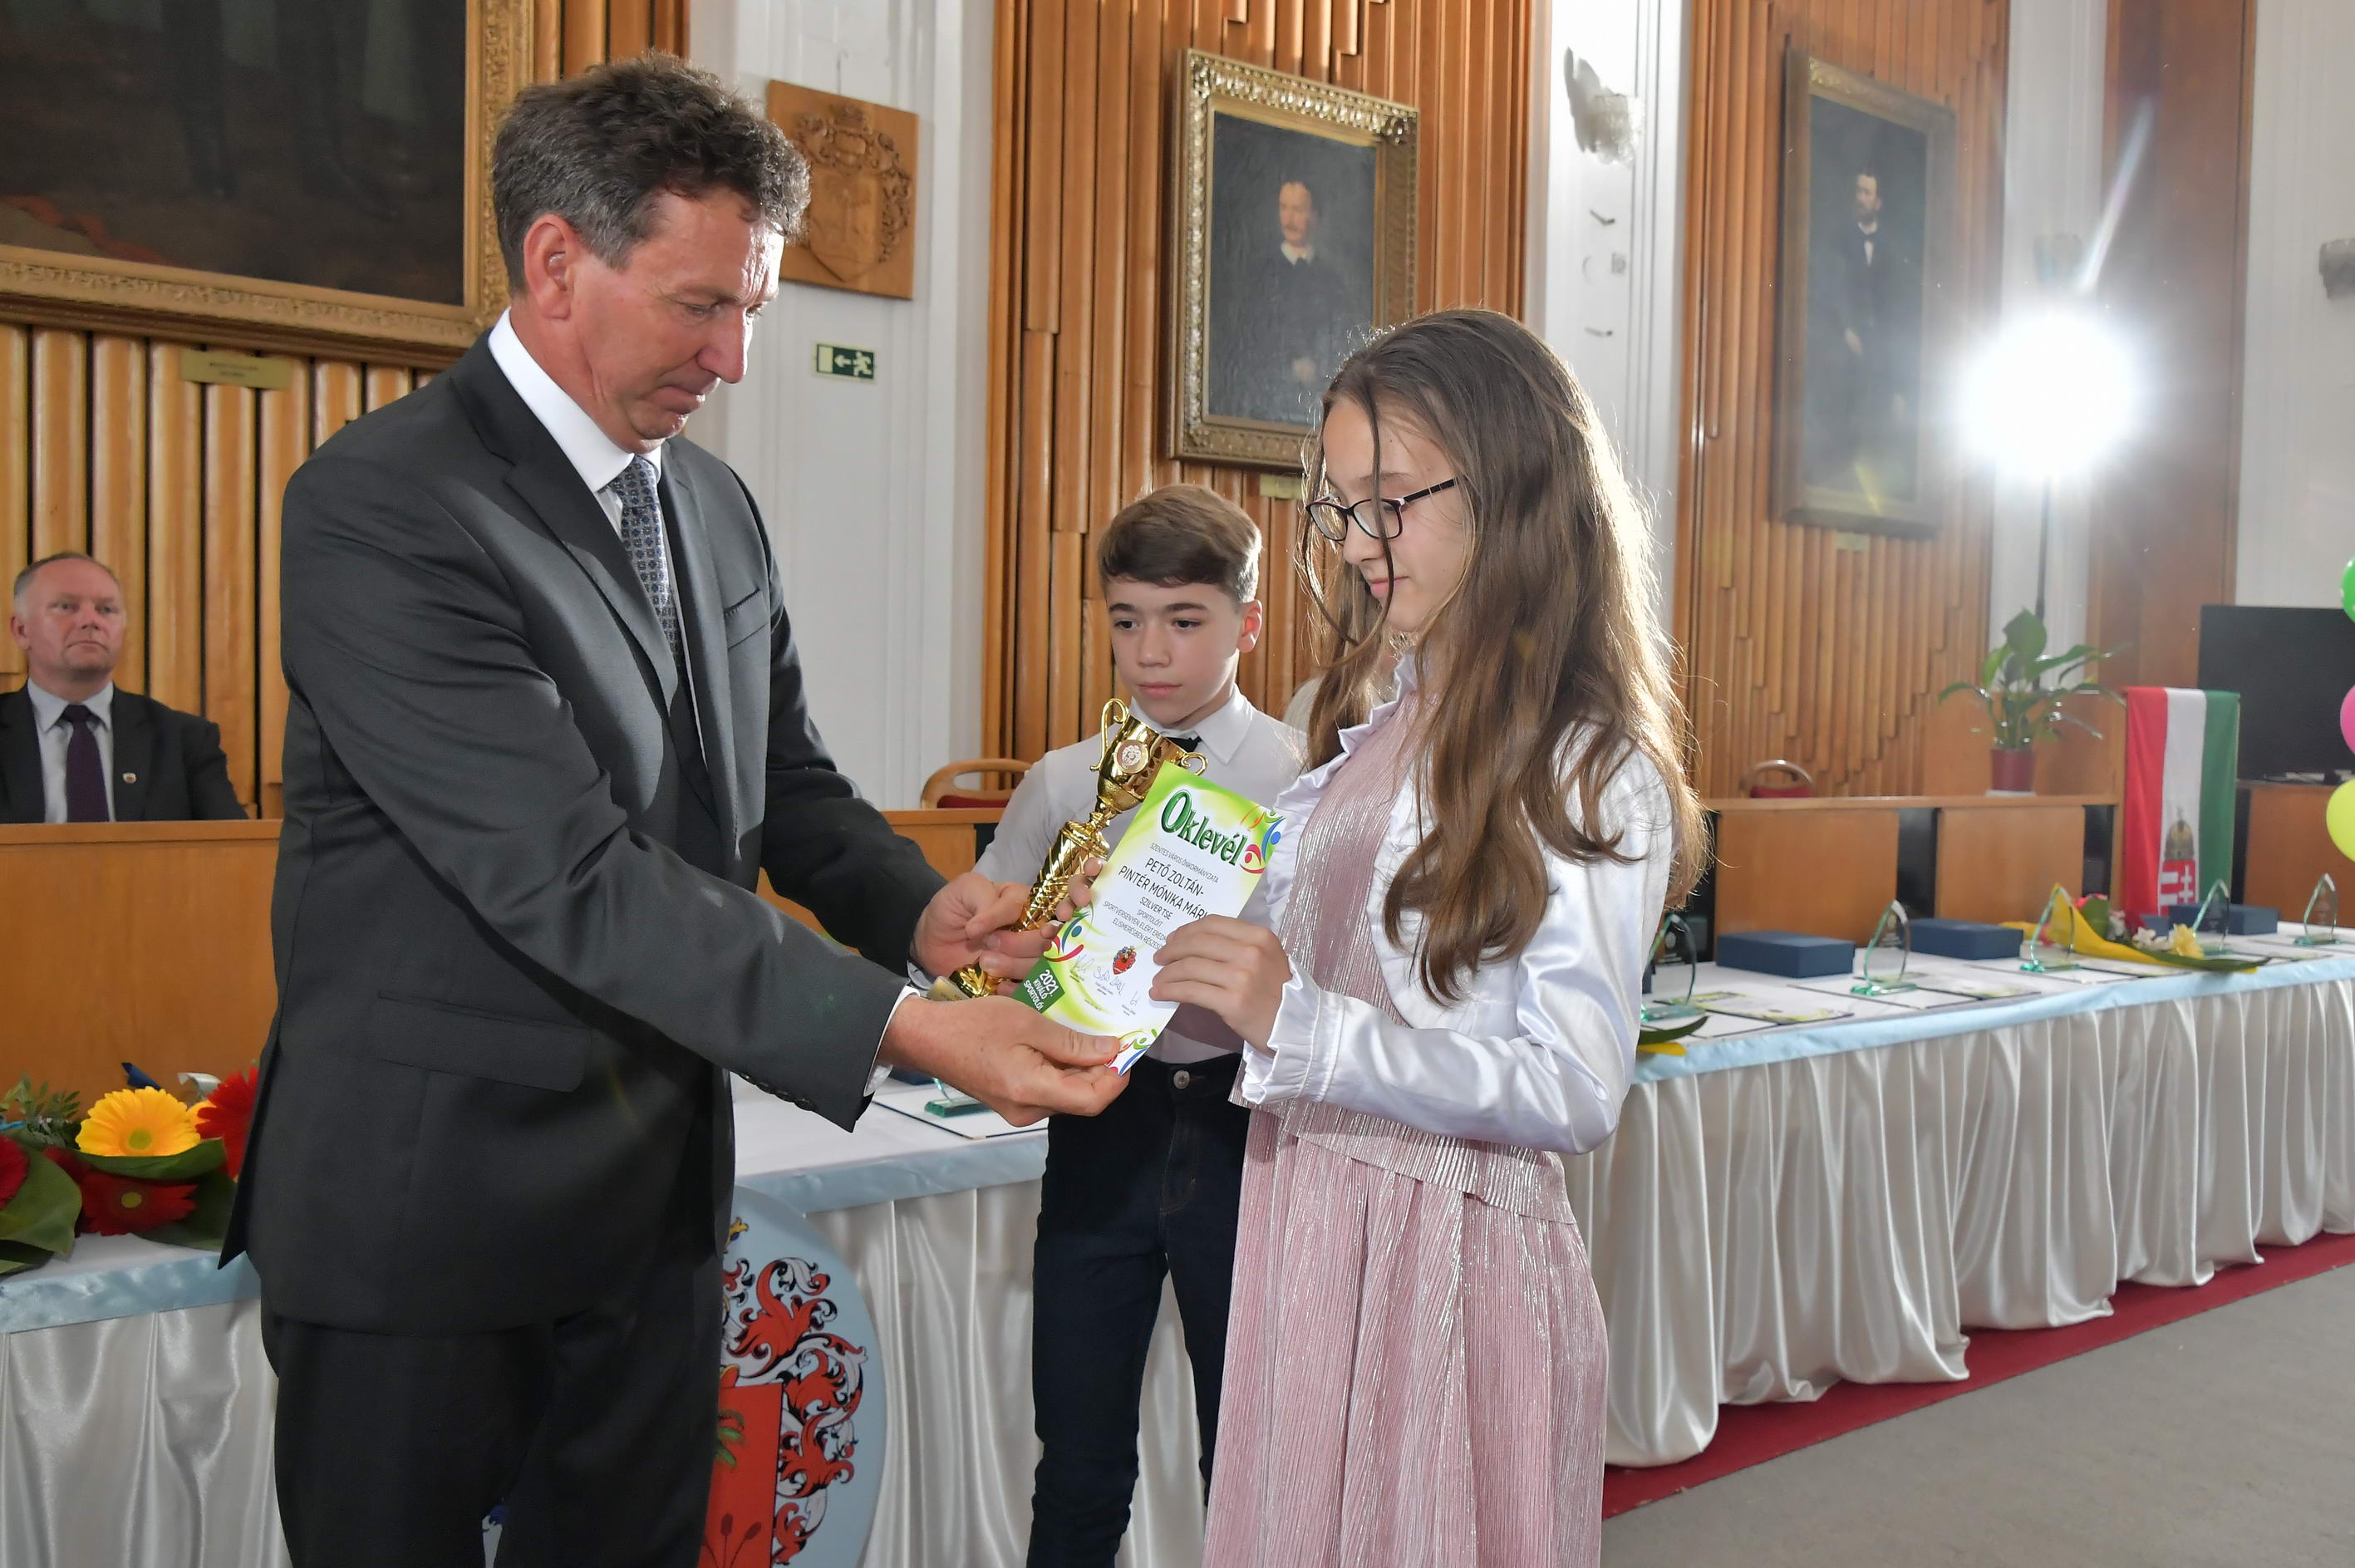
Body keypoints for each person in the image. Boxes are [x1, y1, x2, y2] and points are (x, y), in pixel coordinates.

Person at [224, 56, 1123, 1568]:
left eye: (752, 308)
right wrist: (908, 1028)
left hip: (650, 1213)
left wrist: (923, 909)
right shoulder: (386, 505)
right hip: (425, 1218)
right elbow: (570, 873)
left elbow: (785, 782)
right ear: (555, 263)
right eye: (700, 305)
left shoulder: (706, 503)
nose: (734, 358)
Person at [1153, 308, 1706, 1566]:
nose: (1357, 544)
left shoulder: (1584, 763)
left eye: (1388, 502)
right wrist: (1119, 972)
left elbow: (1572, 1085)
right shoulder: (1371, 724)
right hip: (1310, 1225)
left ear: (1510, 488)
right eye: (1341, 508)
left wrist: (1298, 1022)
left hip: (1451, 1254)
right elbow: (1275, 986)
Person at [991, 486, 1303, 1566]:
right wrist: (1027, 952)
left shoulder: (1306, 778)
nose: (1150, 651)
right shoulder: (1063, 782)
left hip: (1246, 1128)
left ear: (1246, 623)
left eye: (1183, 619)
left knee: (1250, 1456)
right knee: (1076, 1462)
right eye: (1126, 619)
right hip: (1101, 1125)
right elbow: (990, 961)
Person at [1, 552, 245, 823]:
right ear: (21, 630)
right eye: (66, 607)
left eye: (106, 610)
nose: (90, 621)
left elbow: (230, 844)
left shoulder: (184, 740)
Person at [1810, 166, 1920, 498]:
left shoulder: (1892, 247)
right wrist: (1846, 328)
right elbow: (1831, 289)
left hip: (1882, 350)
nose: (1860, 198)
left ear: (1878, 202)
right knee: (1843, 422)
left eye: (1867, 193)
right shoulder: (1838, 241)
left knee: (1881, 427)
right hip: (1845, 345)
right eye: (1857, 191)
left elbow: (1900, 308)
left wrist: (1900, 386)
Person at [1222, 176, 1354, 426]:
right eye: (1284, 208)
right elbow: (1248, 338)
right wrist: (1290, 364)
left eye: (1298, 210)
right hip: (1268, 396)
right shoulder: (1258, 274)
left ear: (1314, 216)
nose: (1289, 219)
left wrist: (1318, 369)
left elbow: (1342, 338)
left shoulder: (1332, 280)